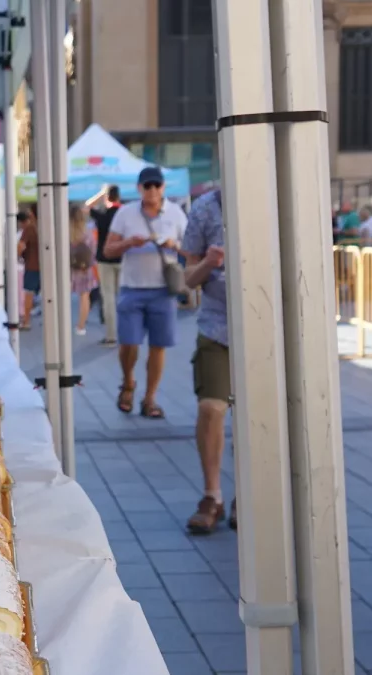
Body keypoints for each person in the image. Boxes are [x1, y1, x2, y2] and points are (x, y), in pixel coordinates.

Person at [102, 166, 187, 419]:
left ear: (163, 188)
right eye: (147, 186)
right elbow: (107, 250)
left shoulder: (176, 214)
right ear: (139, 188)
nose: (152, 190)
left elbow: (191, 250)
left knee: (158, 347)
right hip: (132, 287)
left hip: (163, 289)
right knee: (129, 342)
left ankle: (150, 398)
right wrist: (129, 242)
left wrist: (174, 245)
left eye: (156, 186)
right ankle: (128, 382)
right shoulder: (125, 214)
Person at [182, 189, 235, 533]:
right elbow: (188, 277)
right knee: (211, 409)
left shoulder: (273, 196)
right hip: (217, 328)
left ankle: (247, 495)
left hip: (266, 328)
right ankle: (212, 496)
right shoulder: (203, 209)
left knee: (255, 416)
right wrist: (209, 263)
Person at [93, 186, 123, 344]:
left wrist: (100, 195)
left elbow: (87, 207)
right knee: (123, 296)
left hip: (104, 259)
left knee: (108, 297)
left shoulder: (103, 215)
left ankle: (111, 335)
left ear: (108, 198)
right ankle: (125, 333)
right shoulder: (124, 215)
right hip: (122, 259)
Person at [69, 204, 99, 336]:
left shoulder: (64, 232)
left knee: (63, 297)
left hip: (68, 269)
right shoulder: (88, 233)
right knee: (84, 297)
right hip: (84, 269)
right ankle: (81, 326)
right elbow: (93, 252)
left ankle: (61, 323)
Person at [17, 208, 40, 331]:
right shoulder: (41, 227)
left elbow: (21, 245)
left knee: (28, 293)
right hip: (44, 265)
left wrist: (17, 255)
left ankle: (26, 321)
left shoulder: (29, 229)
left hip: (32, 265)